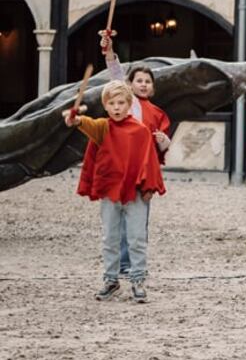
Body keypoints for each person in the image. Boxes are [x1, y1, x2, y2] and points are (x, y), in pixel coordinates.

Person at [64, 80, 166, 304]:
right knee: (110, 238)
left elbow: (149, 160)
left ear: (129, 105)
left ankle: (138, 279)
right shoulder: (103, 128)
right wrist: (76, 119)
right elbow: (86, 123)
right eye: (112, 103)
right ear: (106, 106)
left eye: (121, 103)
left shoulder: (140, 131)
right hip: (111, 192)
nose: (117, 107)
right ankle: (111, 280)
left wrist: (149, 187)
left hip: (136, 192)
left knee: (137, 238)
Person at [100, 32, 172, 276]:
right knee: (118, 220)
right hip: (121, 168)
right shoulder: (127, 103)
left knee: (139, 220)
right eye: (138, 80)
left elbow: (162, 147)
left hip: (143, 171)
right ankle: (122, 263)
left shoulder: (158, 113)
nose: (143, 84)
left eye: (147, 81)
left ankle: (134, 264)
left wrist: (164, 141)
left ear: (152, 88)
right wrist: (109, 51)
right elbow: (116, 74)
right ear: (130, 85)